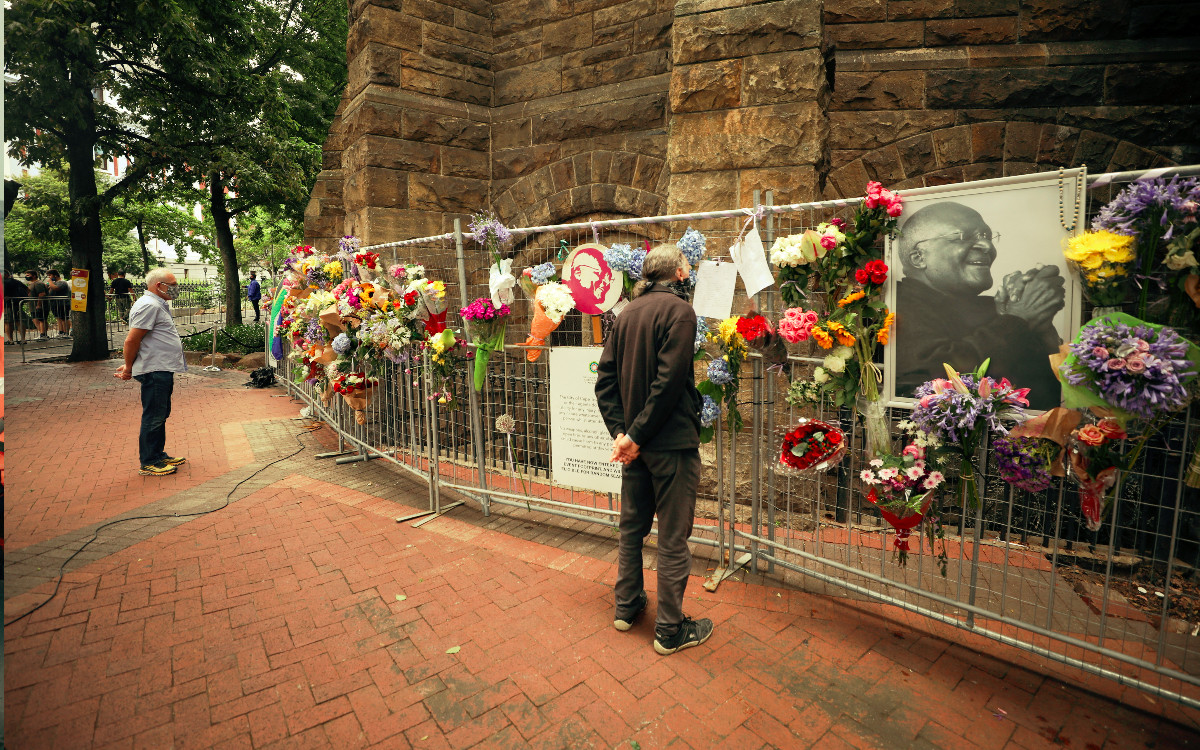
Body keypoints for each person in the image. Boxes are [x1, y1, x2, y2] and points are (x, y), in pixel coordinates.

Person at [595, 243, 714, 656]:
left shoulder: (628, 312)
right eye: (688, 265)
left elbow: (604, 380)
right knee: (673, 536)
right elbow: (667, 385)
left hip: (636, 445)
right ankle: (670, 630)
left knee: (632, 528)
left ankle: (626, 608)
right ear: (680, 274)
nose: (689, 270)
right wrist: (634, 436)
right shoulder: (680, 312)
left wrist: (623, 434)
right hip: (670, 444)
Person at [894, 202, 1065, 410]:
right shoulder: (898, 303)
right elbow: (939, 377)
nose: (987, 247)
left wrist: (1041, 323)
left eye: (986, 236)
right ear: (919, 257)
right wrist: (1017, 318)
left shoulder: (991, 306)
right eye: (962, 237)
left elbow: (1053, 390)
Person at [114, 268, 188, 476]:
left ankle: (158, 454)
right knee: (154, 415)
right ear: (159, 286)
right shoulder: (148, 305)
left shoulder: (157, 304)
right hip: (155, 369)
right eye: (172, 284)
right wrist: (129, 367)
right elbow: (132, 339)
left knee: (160, 413)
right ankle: (149, 461)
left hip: (160, 367)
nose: (176, 288)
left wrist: (133, 362)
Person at [4, 269, 28, 345]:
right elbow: (27, 289)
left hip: (7, 304)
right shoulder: (15, 281)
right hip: (17, 303)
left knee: (7, 322)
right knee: (19, 321)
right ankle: (23, 339)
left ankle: (10, 340)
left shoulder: (3, 282)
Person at [25, 270, 50, 340]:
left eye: (28, 275)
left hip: (40, 305)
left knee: (41, 319)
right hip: (32, 306)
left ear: (34, 276)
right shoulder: (31, 284)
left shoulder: (38, 283)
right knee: (35, 319)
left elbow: (42, 294)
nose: (26, 277)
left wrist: (39, 304)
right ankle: (42, 334)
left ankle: (43, 334)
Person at [47, 270, 71, 337]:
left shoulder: (62, 282)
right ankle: (61, 332)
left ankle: (66, 333)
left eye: (50, 275)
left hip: (62, 303)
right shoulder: (54, 283)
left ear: (55, 275)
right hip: (55, 303)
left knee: (64, 318)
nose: (49, 277)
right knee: (58, 318)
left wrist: (50, 282)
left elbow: (56, 288)